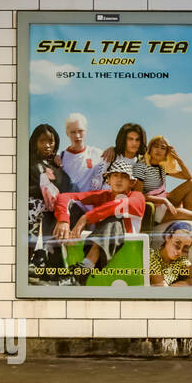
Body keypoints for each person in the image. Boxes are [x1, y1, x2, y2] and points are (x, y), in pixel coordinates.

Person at [51, 158, 146, 286]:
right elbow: (65, 197)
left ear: (131, 182)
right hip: (98, 251)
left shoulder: (137, 197)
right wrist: (63, 220)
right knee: (68, 208)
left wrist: (86, 218)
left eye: (124, 177)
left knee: (114, 217)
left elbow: (117, 206)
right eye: (115, 175)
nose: (118, 179)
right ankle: (57, 264)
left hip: (126, 249)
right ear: (108, 179)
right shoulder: (103, 194)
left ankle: (83, 270)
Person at [28, 123, 73, 276]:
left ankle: (49, 259)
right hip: (34, 210)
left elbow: (65, 189)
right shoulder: (27, 162)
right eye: (42, 141)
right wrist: (41, 190)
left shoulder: (58, 166)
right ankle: (38, 254)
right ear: (35, 142)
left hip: (57, 211)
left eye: (51, 141)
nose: (47, 145)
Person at [134, 135, 192, 223]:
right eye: (156, 146)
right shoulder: (141, 166)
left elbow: (188, 177)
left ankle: (185, 219)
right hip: (153, 207)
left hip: (164, 202)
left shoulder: (162, 168)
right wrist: (163, 200)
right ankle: (184, 216)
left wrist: (177, 158)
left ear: (166, 152)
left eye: (163, 148)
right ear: (150, 149)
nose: (159, 150)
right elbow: (138, 196)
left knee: (191, 185)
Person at [57, 112, 106, 192]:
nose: (77, 135)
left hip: (91, 203)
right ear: (67, 133)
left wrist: (112, 149)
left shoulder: (97, 154)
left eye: (80, 131)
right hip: (69, 203)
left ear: (86, 131)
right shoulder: (60, 158)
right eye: (73, 132)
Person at [148, 222, 192, 287]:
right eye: (177, 244)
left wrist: (184, 284)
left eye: (185, 249)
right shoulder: (152, 256)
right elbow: (161, 285)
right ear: (168, 237)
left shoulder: (180, 260)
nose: (179, 252)